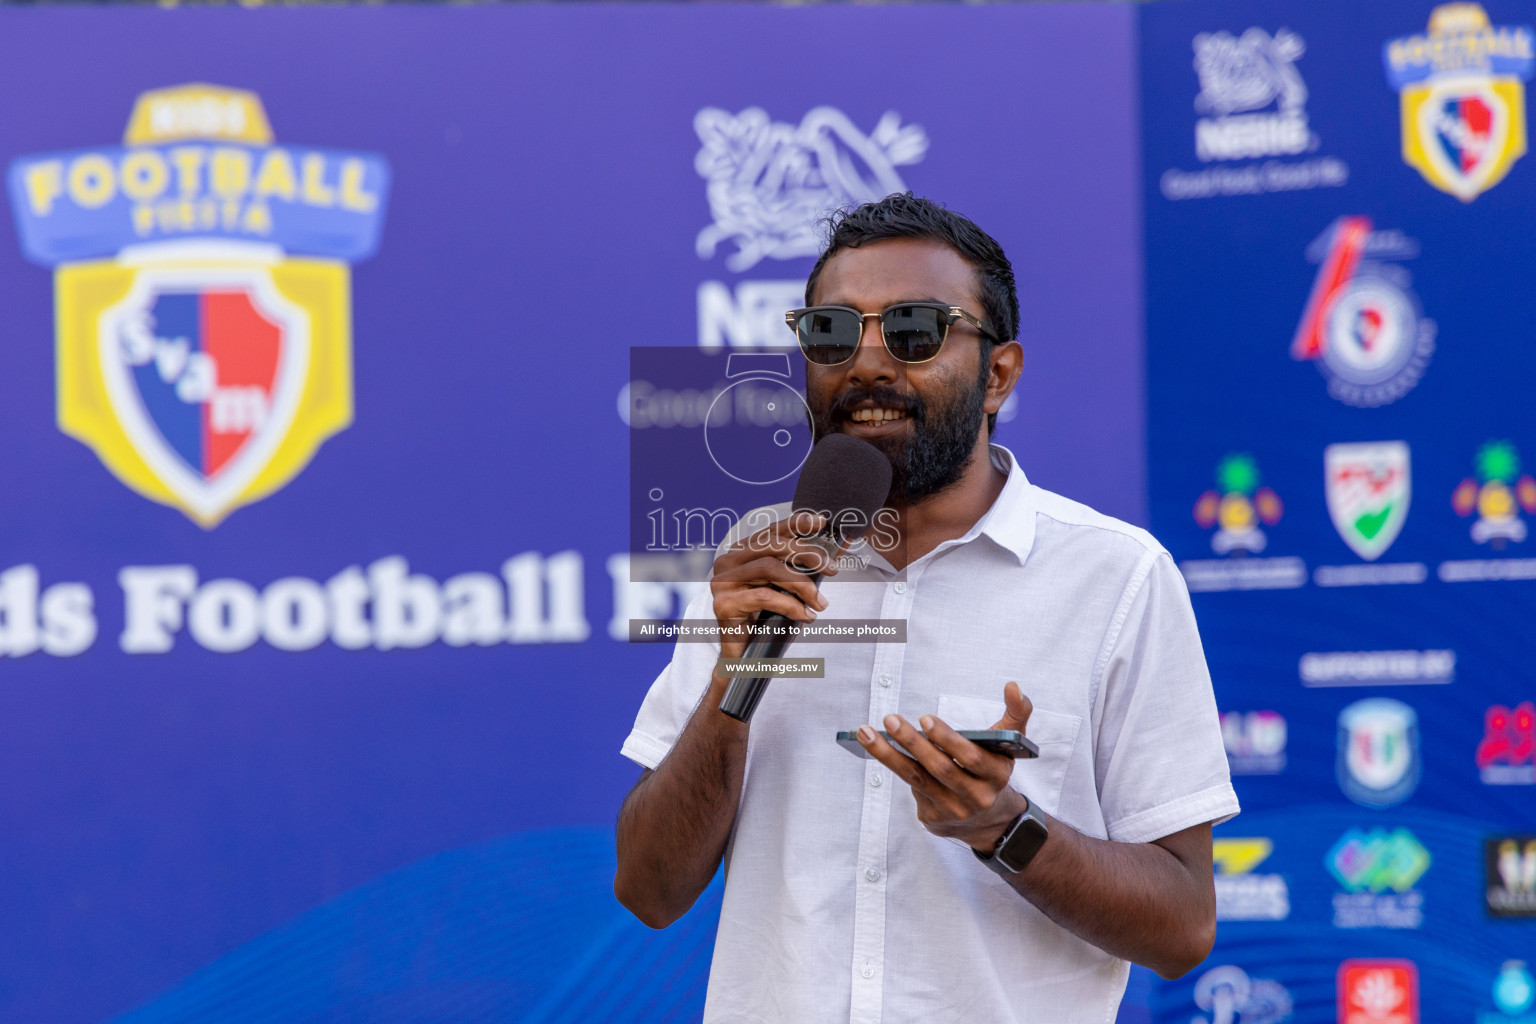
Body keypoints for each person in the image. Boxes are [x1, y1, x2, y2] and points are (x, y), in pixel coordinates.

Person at [614, 193, 1238, 1023]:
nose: (867, 366)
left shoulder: (1115, 577)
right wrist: (732, 691)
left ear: (999, 375)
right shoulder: (759, 563)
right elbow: (649, 891)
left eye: (913, 332)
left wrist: (1003, 826)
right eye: (833, 333)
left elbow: (1184, 926)